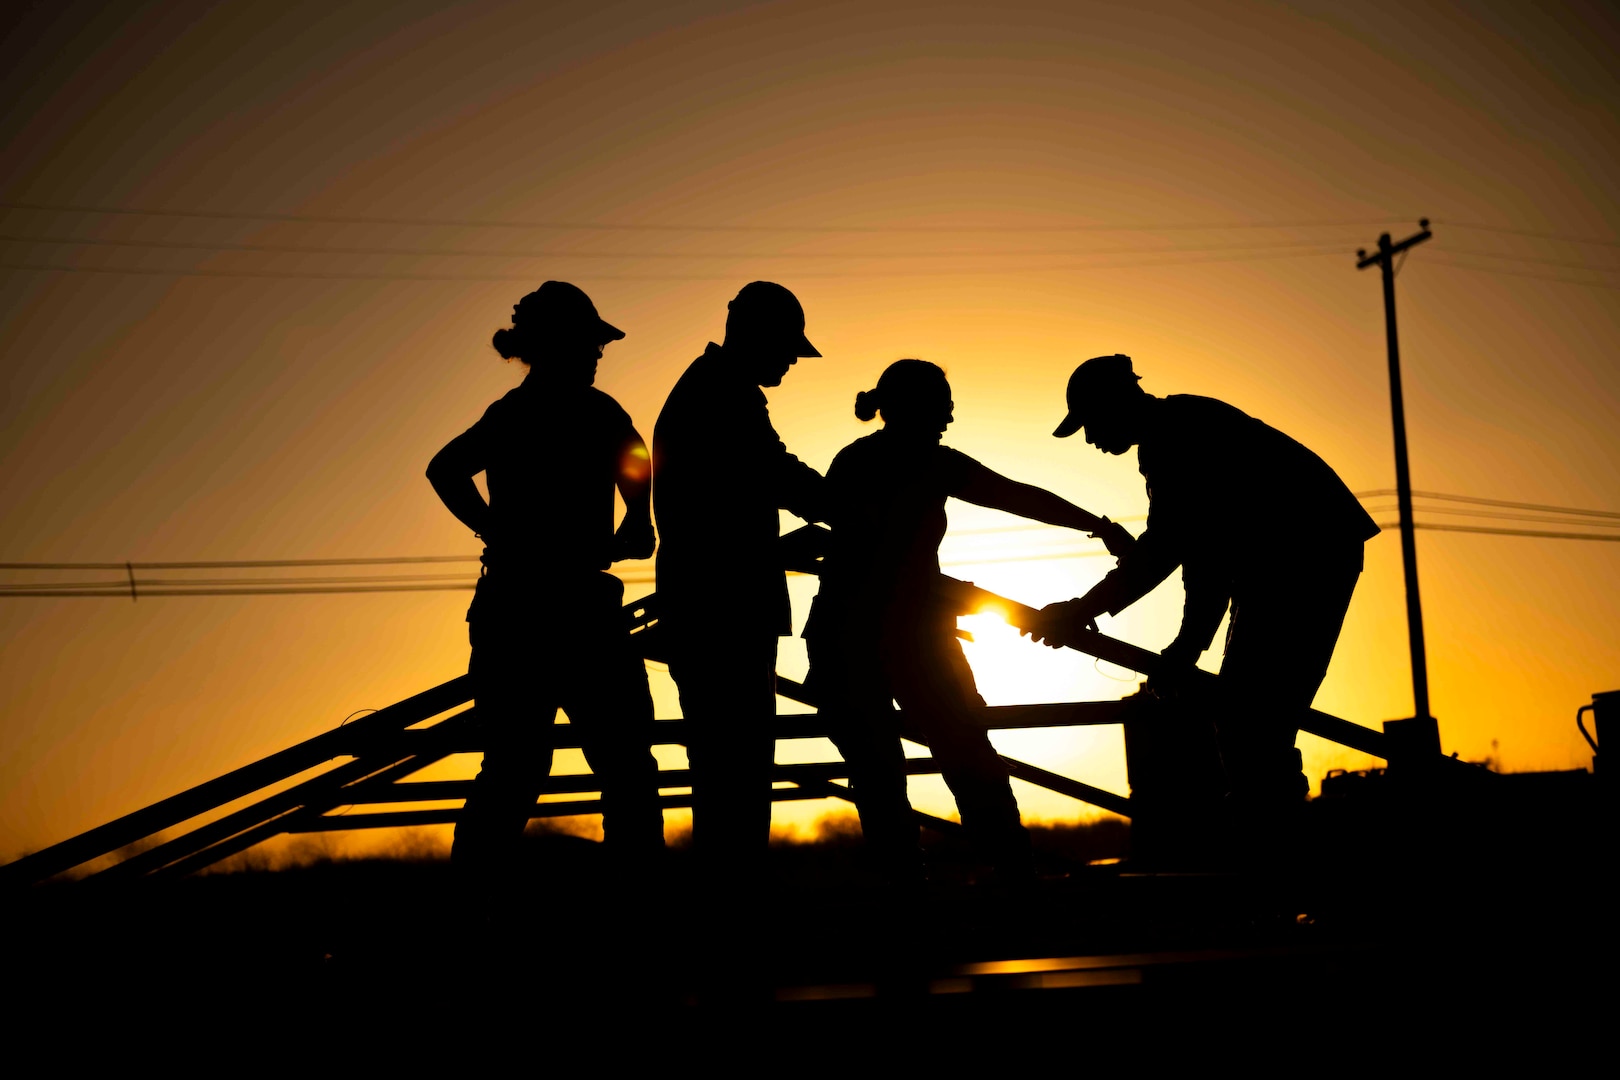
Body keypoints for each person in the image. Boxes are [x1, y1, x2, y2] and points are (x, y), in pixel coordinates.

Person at [805, 359, 1134, 879]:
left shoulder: (870, 460)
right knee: (958, 760)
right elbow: (1008, 497)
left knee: (886, 773)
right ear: (916, 408)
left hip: (865, 636)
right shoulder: (920, 462)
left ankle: (925, 895)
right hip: (893, 636)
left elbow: (1010, 496)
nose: (951, 414)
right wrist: (1097, 526)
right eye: (943, 402)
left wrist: (1094, 525)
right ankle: (1009, 882)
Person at [1032, 353, 1379, 822]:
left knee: (1248, 721)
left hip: (1304, 556)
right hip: (1288, 560)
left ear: (1115, 403)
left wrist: (1083, 609)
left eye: (1091, 423)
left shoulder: (1175, 436)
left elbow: (1173, 549)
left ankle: (1280, 849)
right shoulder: (1176, 429)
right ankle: (1276, 838)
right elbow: (1203, 556)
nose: (1090, 439)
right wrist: (1187, 645)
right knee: (1249, 720)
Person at [427, 281, 665, 882]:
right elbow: (635, 461)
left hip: (517, 607)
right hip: (574, 611)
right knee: (623, 770)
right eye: (591, 344)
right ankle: (637, 918)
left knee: (515, 770)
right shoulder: (593, 411)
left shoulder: (514, 414)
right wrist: (639, 522)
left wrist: (493, 529)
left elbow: (445, 468)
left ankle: (468, 914)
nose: (598, 355)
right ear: (560, 345)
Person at [652, 281, 827, 875]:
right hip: (722, 610)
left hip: (709, 603)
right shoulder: (724, 392)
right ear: (756, 335)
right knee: (738, 768)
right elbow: (771, 471)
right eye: (786, 349)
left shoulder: (711, 388)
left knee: (726, 770)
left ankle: (728, 906)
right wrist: (845, 506)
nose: (788, 363)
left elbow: (727, 499)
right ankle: (733, 914)